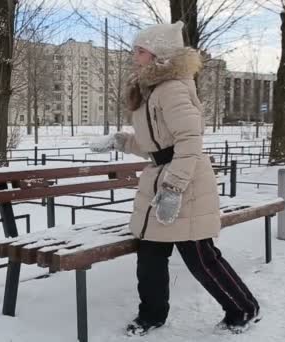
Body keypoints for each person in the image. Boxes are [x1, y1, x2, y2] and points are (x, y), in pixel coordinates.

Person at [90, 21, 260, 337]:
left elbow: (189, 143)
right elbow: (156, 146)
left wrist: (173, 188)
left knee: (201, 259)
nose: (134, 56)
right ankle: (152, 315)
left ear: (159, 55)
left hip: (186, 185)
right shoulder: (150, 91)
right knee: (150, 258)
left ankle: (244, 309)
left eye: (140, 51)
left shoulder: (173, 89)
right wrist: (121, 141)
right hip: (159, 183)